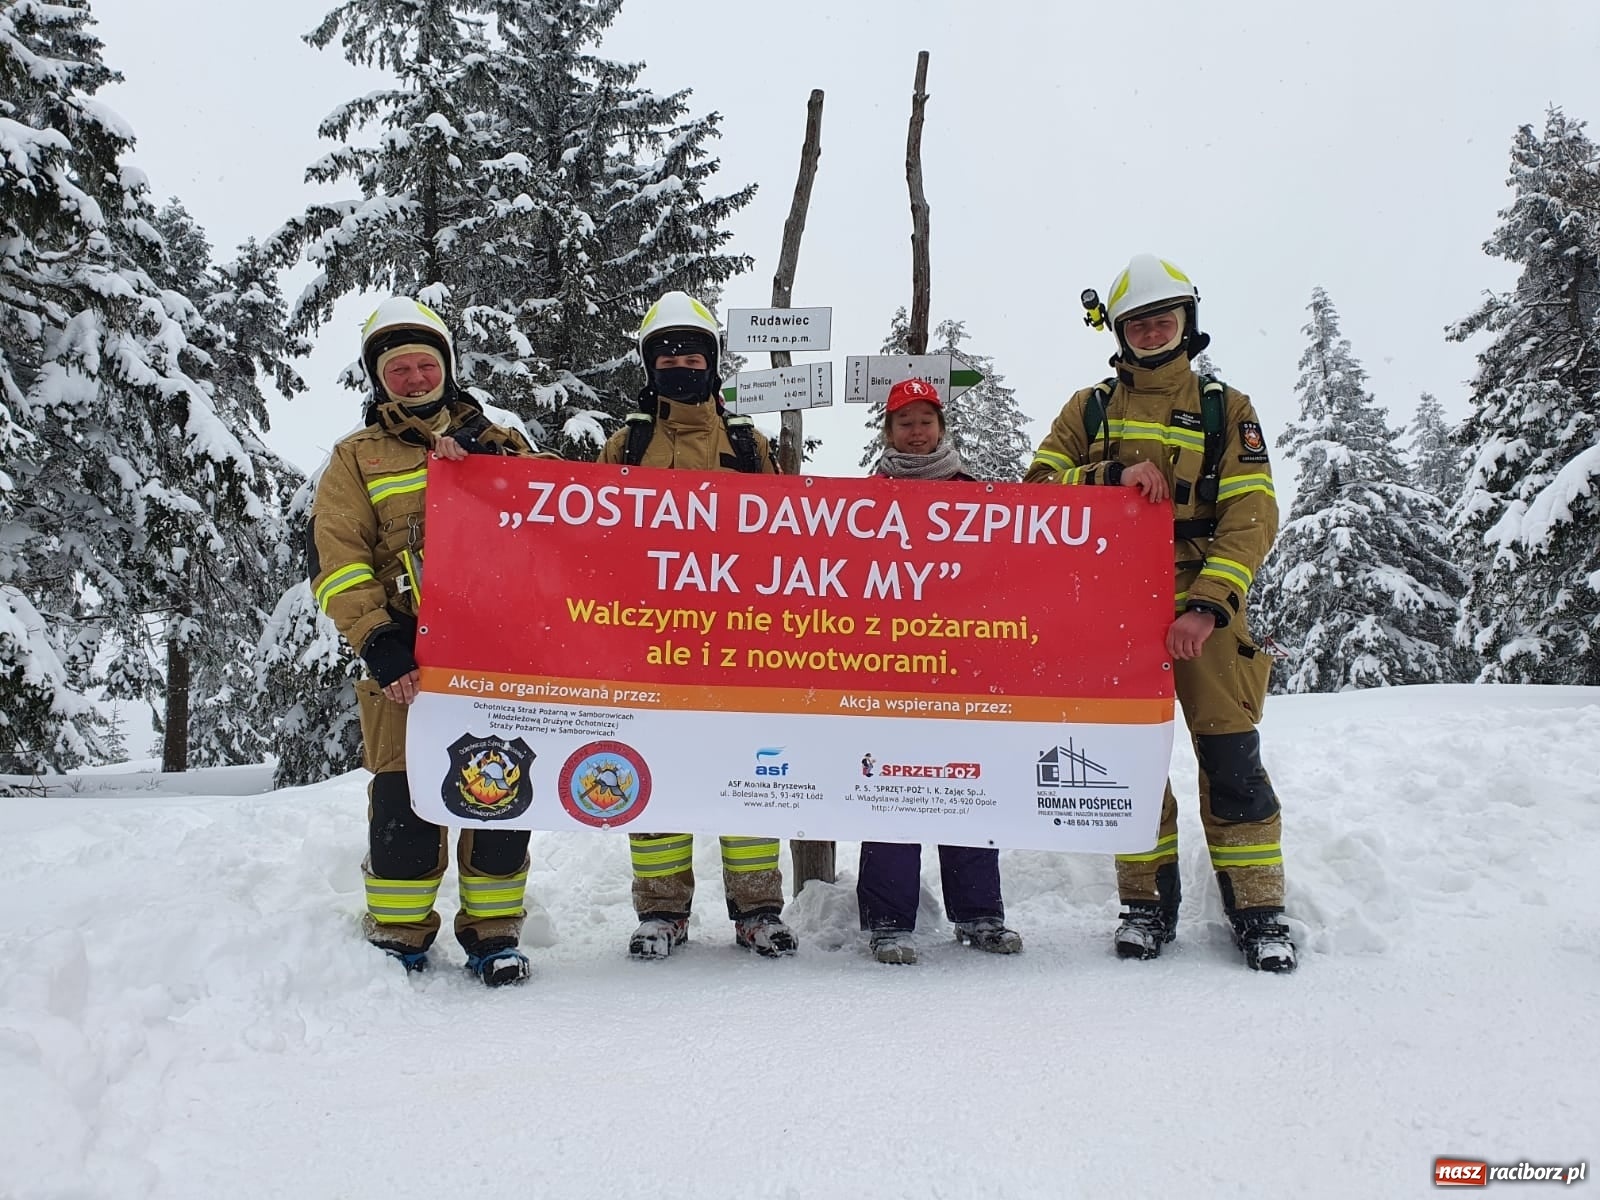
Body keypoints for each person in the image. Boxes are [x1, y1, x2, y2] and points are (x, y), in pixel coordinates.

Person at [1024, 254, 1297, 972]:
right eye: (1137, 323)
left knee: (1233, 760)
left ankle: (1261, 910)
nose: (1151, 333)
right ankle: (1145, 906)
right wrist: (1109, 476)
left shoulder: (1225, 408)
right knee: (1127, 767)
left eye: (1162, 320)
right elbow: (1040, 489)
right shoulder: (1087, 410)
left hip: (1204, 609)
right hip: (1113, 610)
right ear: (1118, 332)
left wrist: (1207, 605)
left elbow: (1252, 513)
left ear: (1187, 324)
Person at [310, 296, 543, 987]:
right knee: (402, 798)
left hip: (493, 653)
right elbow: (339, 560)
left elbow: (557, 529)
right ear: (379, 380)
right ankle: (399, 934)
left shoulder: (501, 442)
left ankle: (494, 932)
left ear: (446, 367)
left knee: (500, 789)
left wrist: (487, 469)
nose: (413, 379)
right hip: (404, 656)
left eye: (424, 365)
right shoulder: (355, 460)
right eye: (398, 370)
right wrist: (379, 640)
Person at [597, 290, 798, 960]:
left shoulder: (748, 444)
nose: (680, 363)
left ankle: (758, 906)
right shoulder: (626, 445)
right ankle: (663, 911)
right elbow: (585, 537)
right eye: (667, 354)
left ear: (712, 363)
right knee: (654, 772)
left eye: (691, 352)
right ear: (649, 366)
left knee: (748, 773)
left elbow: (788, 539)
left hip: (737, 643)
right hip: (648, 641)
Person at [857, 378, 1024, 965]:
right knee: (888, 790)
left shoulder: (980, 497)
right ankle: (886, 921)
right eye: (905, 422)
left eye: (926, 420)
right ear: (889, 432)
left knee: (969, 784)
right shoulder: (863, 500)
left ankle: (980, 914)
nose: (917, 430)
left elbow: (1007, 575)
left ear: (942, 428)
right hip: (887, 666)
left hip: (965, 666)